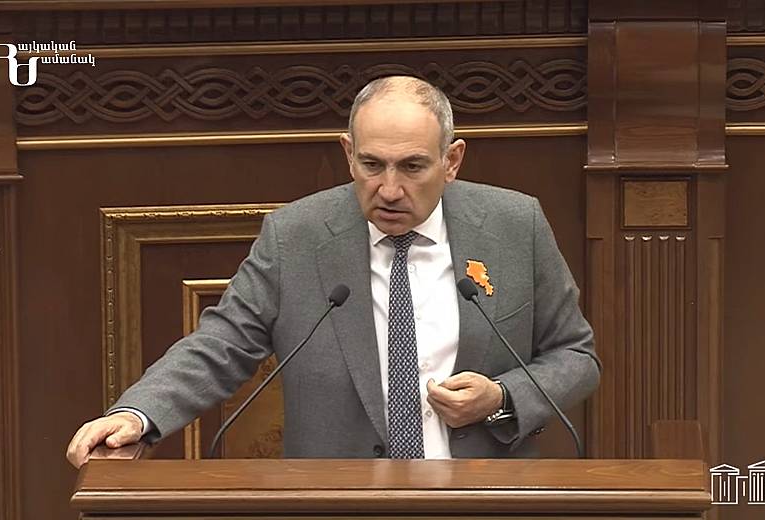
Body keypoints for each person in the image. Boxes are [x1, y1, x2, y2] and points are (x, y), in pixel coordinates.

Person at [66, 76, 600, 467]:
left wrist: (501, 397)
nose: (389, 189)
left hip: (481, 496)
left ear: (452, 161)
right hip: (335, 497)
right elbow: (221, 344)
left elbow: (575, 355)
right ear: (349, 154)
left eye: (413, 166)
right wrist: (138, 414)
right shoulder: (296, 236)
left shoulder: (514, 225)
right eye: (372, 165)